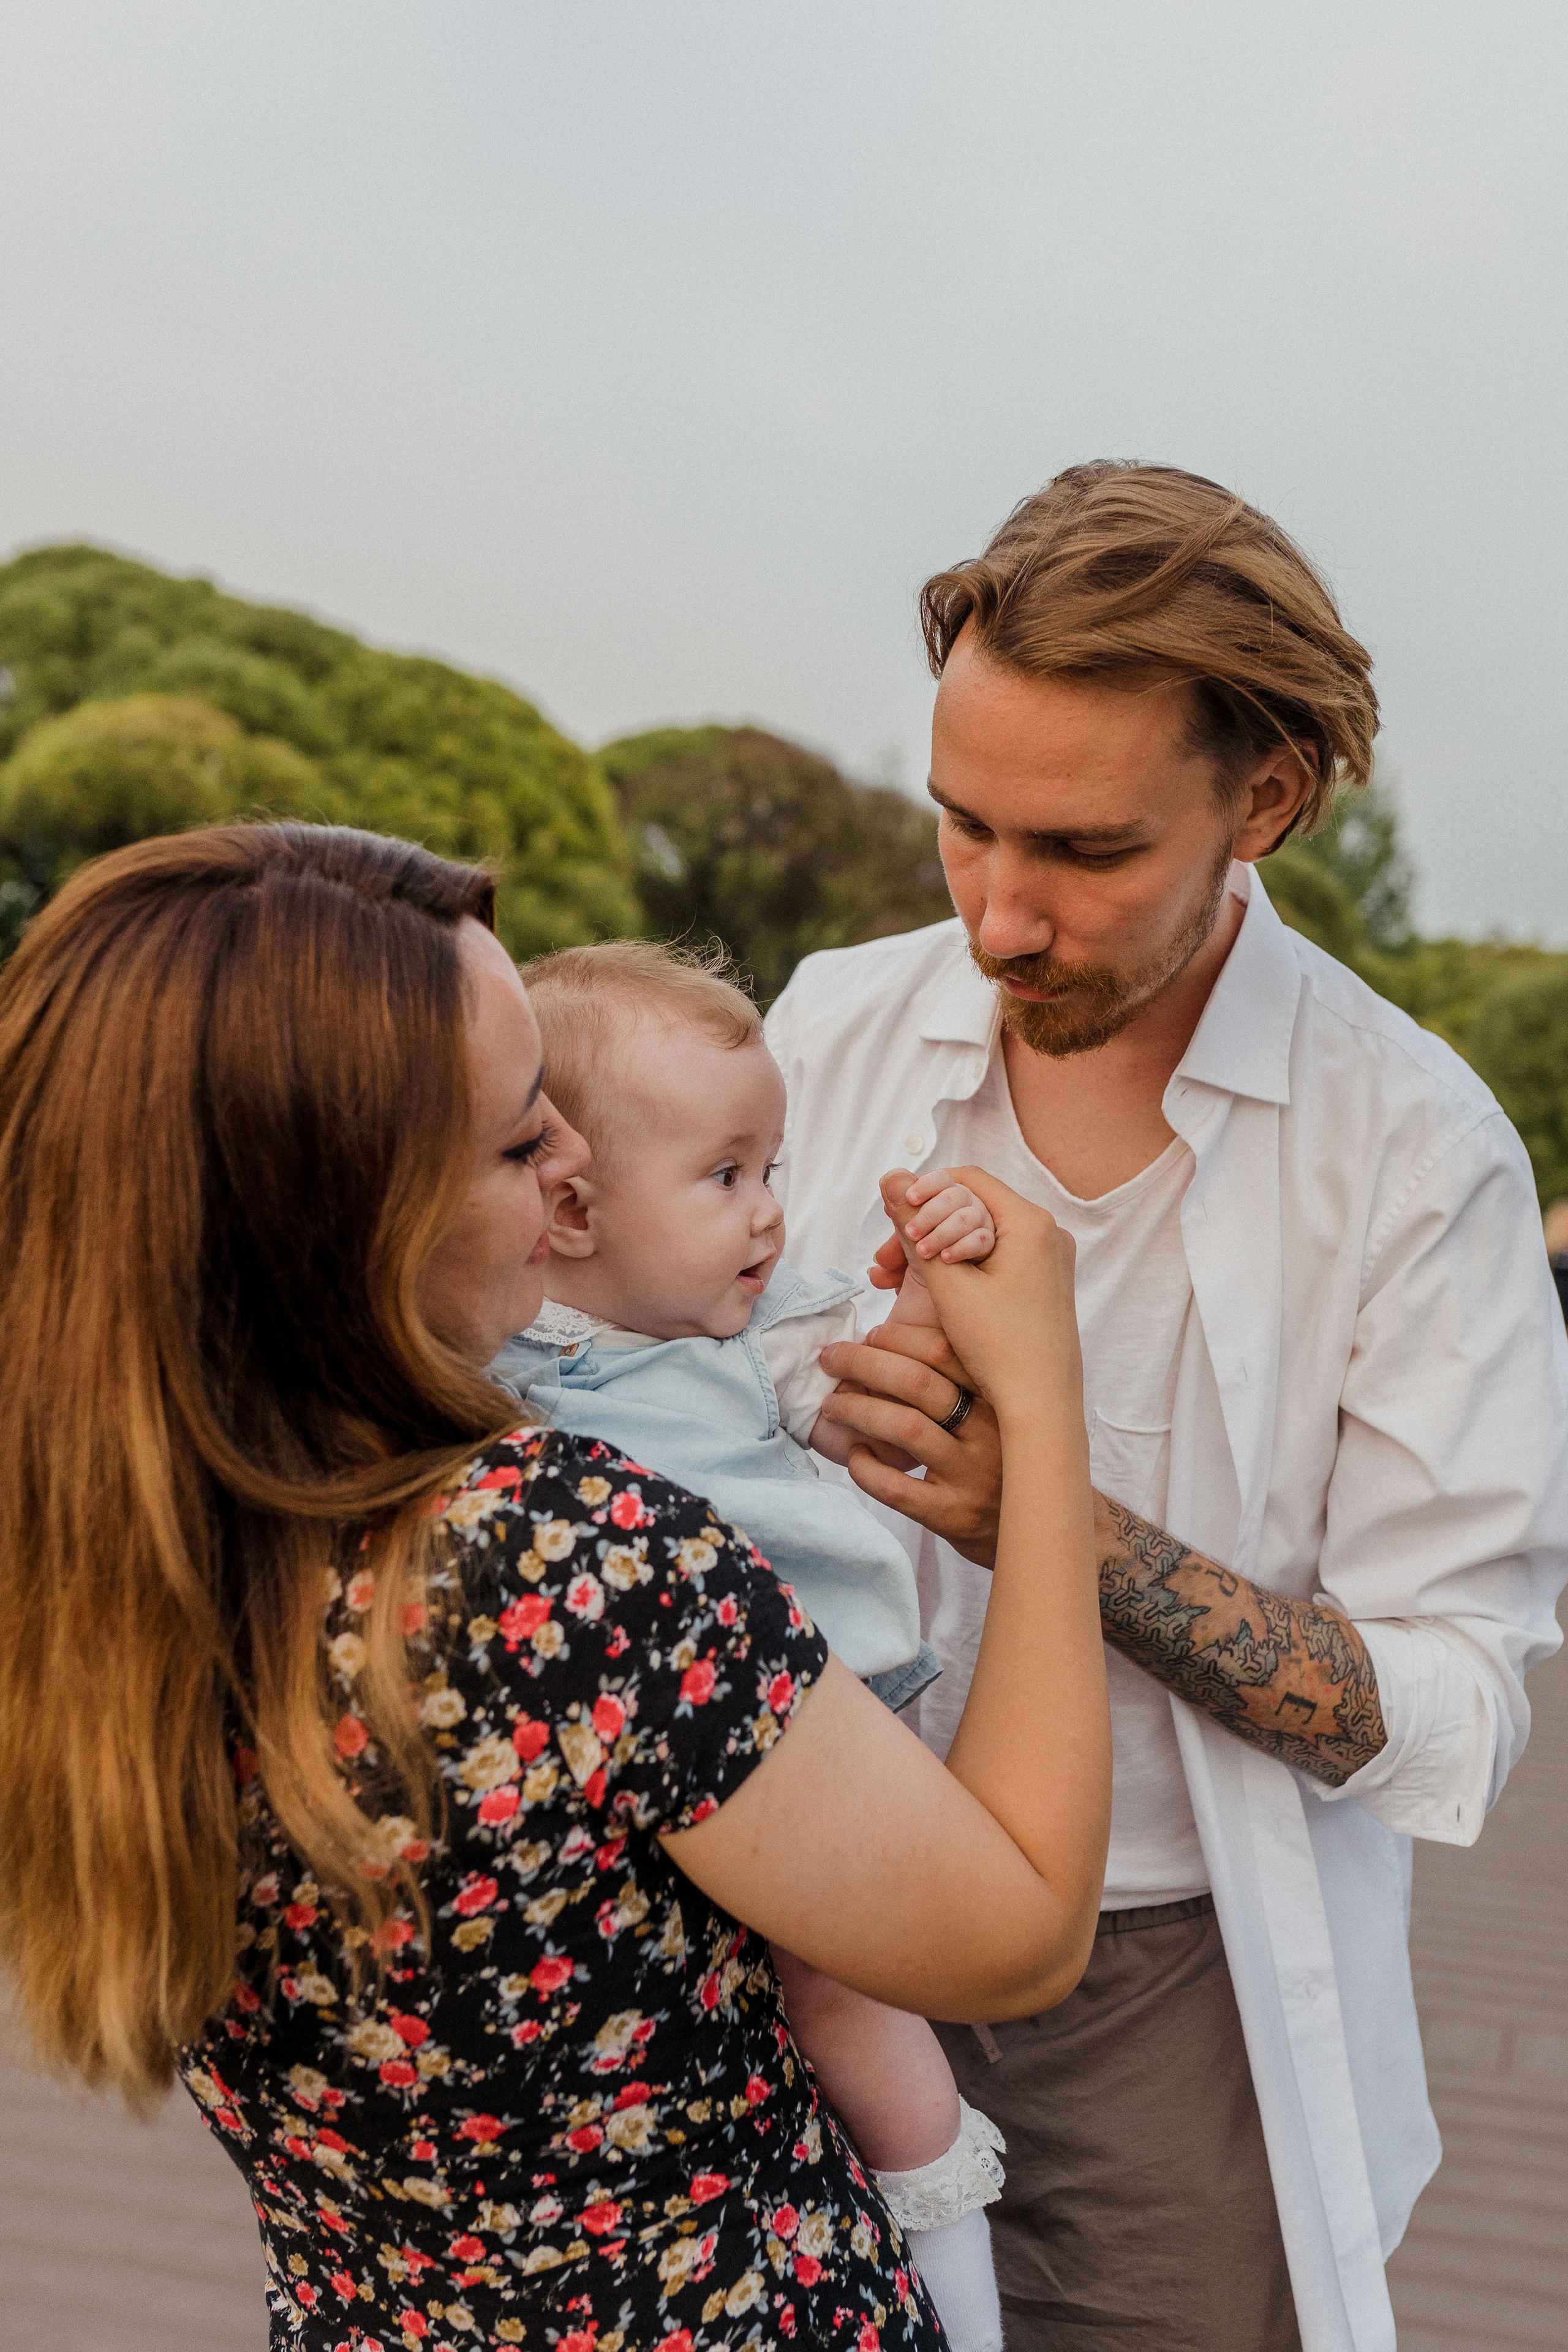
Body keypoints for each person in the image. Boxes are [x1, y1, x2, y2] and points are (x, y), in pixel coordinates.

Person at [0, 821, 1111, 2352]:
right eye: (525, 1142)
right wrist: (1042, 1409)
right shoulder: (561, 1558)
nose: (579, 1167)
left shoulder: (96, 1560)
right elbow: (1021, 1930)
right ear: (349, 1212)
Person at [764, 462, 1568, 2352]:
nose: (1001, 917)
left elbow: (1455, 1713)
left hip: (1163, 2001)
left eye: (1087, 851)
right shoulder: (822, 1035)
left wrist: (1045, 1519)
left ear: (1264, 800)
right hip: (791, 1922)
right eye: (965, 826)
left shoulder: (1415, 1151)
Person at [492, 938, 1011, 2352]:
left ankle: (950, 2254)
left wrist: (927, 1273)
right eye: (727, 1178)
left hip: (828, 1719)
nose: (772, 1214)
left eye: (771, 1170)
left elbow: (879, 1363)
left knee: (838, 1995)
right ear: (573, 1204)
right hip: (663, 1769)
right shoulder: (502, 1362)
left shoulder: (746, 1335)